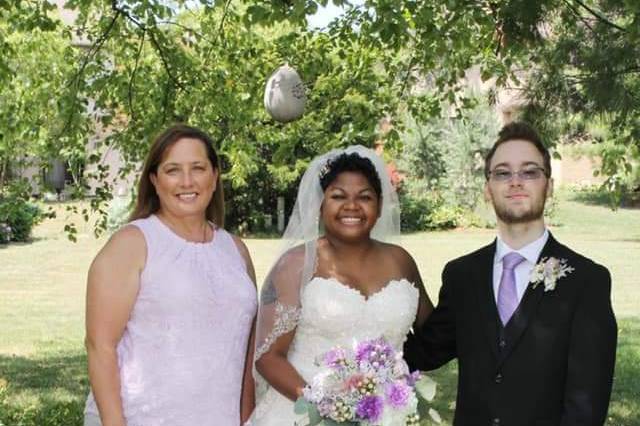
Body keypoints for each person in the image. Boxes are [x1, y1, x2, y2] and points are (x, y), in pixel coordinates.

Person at [404, 122, 617, 426]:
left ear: (550, 186)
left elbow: (586, 405)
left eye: (530, 172)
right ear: (488, 189)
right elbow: (425, 352)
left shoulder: (588, 281)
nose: (515, 181)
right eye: (502, 173)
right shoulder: (461, 276)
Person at [83, 124, 258, 426]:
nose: (187, 181)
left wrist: (247, 419)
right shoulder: (132, 245)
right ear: (154, 179)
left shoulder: (236, 251)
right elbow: (100, 346)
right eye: (173, 170)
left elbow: (246, 352)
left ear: (215, 177)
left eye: (198, 168)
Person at [246, 145, 433, 425]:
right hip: (304, 413)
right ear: (320, 205)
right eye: (338, 196)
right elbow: (268, 356)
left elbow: (435, 335)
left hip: (384, 416)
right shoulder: (295, 264)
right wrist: (328, 409)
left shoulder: (401, 261)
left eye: (365, 197)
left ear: (380, 205)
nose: (352, 206)